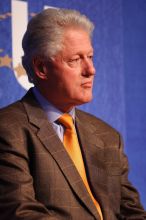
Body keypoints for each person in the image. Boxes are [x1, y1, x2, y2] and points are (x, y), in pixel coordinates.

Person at [0, 8, 145, 220]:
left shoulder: (108, 137)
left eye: (90, 57)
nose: (91, 70)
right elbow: (21, 213)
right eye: (75, 59)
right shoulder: (8, 129)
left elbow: (132, 213)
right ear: (41, 67)